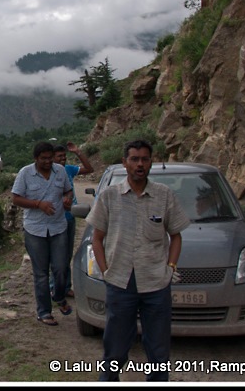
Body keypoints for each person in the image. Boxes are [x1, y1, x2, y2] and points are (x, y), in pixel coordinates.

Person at [86, 139, 190, 381]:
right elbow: (97, 239)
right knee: (115, 348)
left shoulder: (164, 196)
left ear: (151, 162)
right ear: (125, 163)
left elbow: (176, 237)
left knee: (158, 350)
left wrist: (170, 268)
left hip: (156, 283)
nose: (140, 164)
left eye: (145, 159)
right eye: (134, 159)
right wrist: (106, 271)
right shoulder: (110, 196)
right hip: (120, 283)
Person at [12, 141, 75, 326]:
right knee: (41, 273)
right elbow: (15, 198)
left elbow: (68, 190)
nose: (48, 162)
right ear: (36, 159)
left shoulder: (60, 171)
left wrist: (67, 200)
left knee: (61, 268)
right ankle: (44, 312)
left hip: (58, 227)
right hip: (35, 229)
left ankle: (59, 296)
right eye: (44, 159)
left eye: (50, 158)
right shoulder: (25, 173)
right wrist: (38, 204)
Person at [50, 141, 94, 298]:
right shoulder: (49, 173)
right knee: (56, 255)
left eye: (64, 156)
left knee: (67, 254)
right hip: (55, 219)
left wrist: (78, 152)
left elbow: (89, 169)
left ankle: (65, 286)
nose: (63, 159)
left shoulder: (68, 169)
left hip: (70, 218)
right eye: (59, 157)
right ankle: (54, 286)